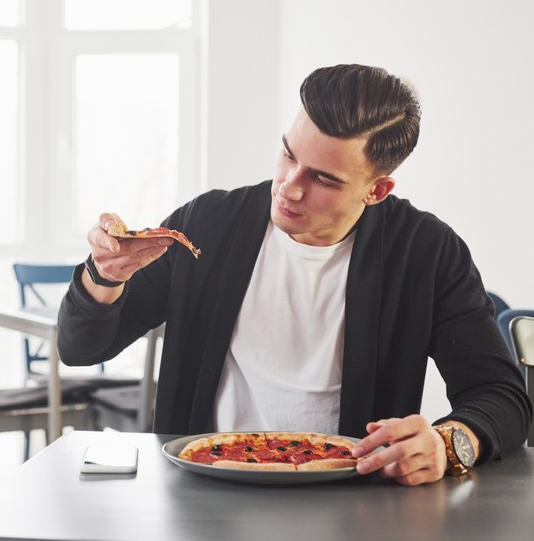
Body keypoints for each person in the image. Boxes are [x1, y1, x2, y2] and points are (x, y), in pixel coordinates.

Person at [57, 63, 532, 486]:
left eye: (323, 178)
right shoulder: (206, 224)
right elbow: (82, 349)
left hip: (351, 500)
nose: (289, 187)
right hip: (203, 492)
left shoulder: (428, 252)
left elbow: (503, 398)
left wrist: (450, 443)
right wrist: (103, 279)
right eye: (288, 154)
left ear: (377, 189)